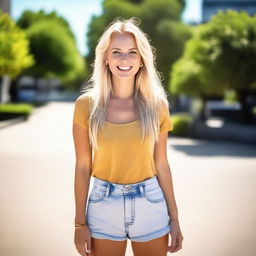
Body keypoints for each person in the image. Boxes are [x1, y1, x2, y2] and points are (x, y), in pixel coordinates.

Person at [72, 17, 183, 256]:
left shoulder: (157, 106)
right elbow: (83, 166)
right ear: (106, 59)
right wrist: (79, 223)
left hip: (151, 204)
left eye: (132, 52)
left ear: (142, 60)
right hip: (103, 206)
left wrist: (174, 218)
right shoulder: (86, 105)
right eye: (117, 52)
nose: (125, 59)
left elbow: (161, 164)